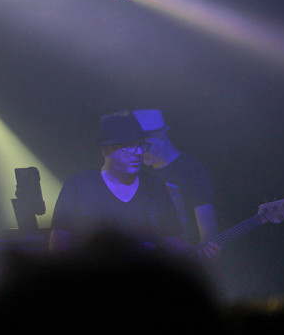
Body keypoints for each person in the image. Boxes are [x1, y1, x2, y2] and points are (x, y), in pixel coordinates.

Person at [49, 111, 187, 252]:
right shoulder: (78, 185)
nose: (139, 153)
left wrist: (194, 256)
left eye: (141, 145)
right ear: (106, 150)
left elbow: (172, 239)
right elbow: (58, 247)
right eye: (129, 146)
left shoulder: (154, 185)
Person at [134, 108, 220, 258]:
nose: (140, 153)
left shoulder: (192, 171)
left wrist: (198, 252)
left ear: (160, 138)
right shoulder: (140, 173)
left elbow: (208, 235)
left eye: (144, 146)